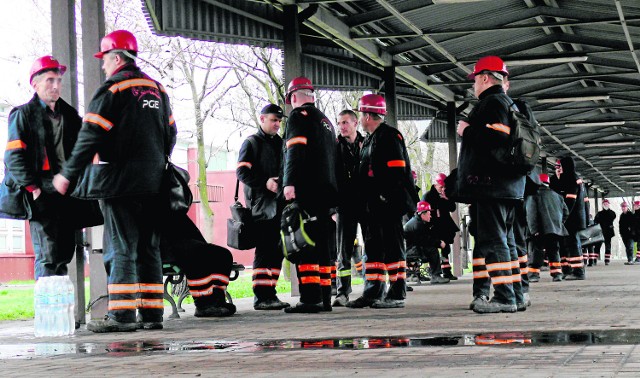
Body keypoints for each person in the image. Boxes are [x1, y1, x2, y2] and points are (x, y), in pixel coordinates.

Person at [53, 30, 177, 332]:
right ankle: (152, 314)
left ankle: (121, 316)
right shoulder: (157, 89)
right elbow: (170, 134)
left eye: (105, 61)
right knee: (148, 246)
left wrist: (68, 174)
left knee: (120, 244)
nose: (104, 67)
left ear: (118, 58)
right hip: (153, 182)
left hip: (119, 182)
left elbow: (90, 135)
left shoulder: (113, 88)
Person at [454, 56, 525, 314]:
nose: (473, 85)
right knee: (504, 241)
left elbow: (496, 137)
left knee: (495, 242)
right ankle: (516, 294)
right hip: (506, 187)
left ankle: (505, 297)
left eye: (475, 80)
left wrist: (466, 131)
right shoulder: (509, 103)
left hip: (491, 186)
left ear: (485, 77)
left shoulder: (493, 102)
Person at [4, 56, 82, 279]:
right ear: (35, 84)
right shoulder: (23, 115)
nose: (56, 85)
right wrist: (33, 189)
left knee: (65, 253)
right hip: (41, 194)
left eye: (58, 80)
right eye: (49, 80)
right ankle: (48, 313)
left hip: (67, 193)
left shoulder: (70, 116)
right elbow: (13, 157)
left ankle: (59, 311)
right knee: (48, 256)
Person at [346, 93, 418, 309]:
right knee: (374, 251)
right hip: (373, 208)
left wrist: (384, 197)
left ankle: (397, 293)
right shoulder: (370, 139)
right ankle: (373, 291)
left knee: (393, 249)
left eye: (361, 115)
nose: (361, 119)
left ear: (368, 115)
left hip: (388, 206)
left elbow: (396, 173)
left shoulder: (389, 136)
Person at [281, 77, 338, 313]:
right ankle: (324, 296)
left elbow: (294, 150)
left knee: (305, 241)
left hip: (307, 189)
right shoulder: (326, 122)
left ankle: (310, 298)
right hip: (327, 192)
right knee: (323, 244)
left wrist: (289, 182)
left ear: (293, 97)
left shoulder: (297, 116)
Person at [236, 104, 290, 311]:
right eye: (273, 120)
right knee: (265, 250)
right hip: (261, 207)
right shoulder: (251, 143)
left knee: (277, 250)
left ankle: (271, 294)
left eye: (279, 120)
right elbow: (241, 173)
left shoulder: (282, 143)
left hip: (280, 205)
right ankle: (261, 296)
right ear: (262, 119)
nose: (277, 124)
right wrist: (265, 182)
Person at [160, 213, 236, 317]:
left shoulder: (175, 210)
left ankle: (217, 300)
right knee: (198, 253)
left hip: (182, 242)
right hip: (164, 249)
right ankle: (203, 305)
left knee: (223, 255)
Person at [333, 109, 365, 306]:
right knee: (343, 251)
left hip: (366, 203)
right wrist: (332, 208)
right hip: (344, 205)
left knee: (374, 247)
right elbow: (330, 177)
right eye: (339, 123)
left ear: (355, 123)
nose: (341, 127)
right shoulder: (334, 147)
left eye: (345, 122)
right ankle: (342, 291)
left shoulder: (368, 143)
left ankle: (374, 287)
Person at [525, 173, 569, 282]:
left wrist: (533, 230)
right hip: (555, 230)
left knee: (536, 251)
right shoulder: (557, 196)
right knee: (554, 251)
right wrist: (558, 223)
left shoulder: (534, 195)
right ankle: (557, 274)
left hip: (540, 230)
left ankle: (534, 275)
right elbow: (566, 212)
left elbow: (531, 214)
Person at [549, 157, 587, 279]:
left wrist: (562, 217)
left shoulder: (572, 179)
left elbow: (570, 201)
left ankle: (578, 271)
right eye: (556, 167)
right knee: (563, 243)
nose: (558, 170)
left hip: (572, 218)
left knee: (573, 243)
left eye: (559, 167)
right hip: (562, 218)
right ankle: (567, 269)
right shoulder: (557, 179)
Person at [422, 172, 459, 280]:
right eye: (440, 187)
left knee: (446, 248)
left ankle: (446, 271)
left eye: (444, 187)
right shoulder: (428, 196)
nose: (442, 189)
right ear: (435, 185)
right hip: (433, 227)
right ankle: (436, 272)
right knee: (434, 249)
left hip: (444, 226)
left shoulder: (446, 195)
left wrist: (447, 199)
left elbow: (452, 208)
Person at [404, 201, 450, 284]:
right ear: (423, 214)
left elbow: (426, 238)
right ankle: (436, 276)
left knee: (431, 247)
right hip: (411, 251)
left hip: (410, 249)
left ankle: (433, 275)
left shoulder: (417, 222)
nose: (431, 215)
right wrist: (439, 243)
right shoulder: (418, 224)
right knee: (432, 250)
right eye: (429, 213)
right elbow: (425, 240)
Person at [594, 198, 615, 265]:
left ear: (609, 205)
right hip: (600, 232)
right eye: (604, 204)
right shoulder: (599, 214)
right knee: (597, 247)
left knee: (608, 247)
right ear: (602, 205)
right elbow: (595, 221)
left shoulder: (612, 213)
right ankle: (594, 260)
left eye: (607, 204)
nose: (605, 205)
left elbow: (612, 217)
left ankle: (607, 260)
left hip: (608, 233)